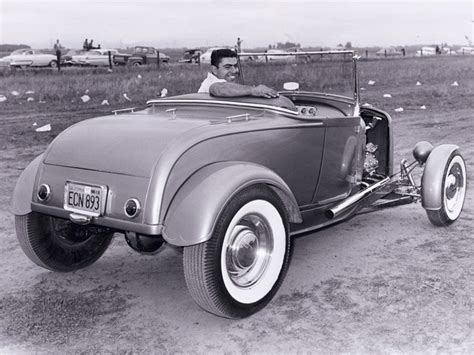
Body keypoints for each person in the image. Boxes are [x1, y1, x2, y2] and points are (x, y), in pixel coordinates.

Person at [198, 48, 278, 98]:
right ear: (214, 70)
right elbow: (218, 88)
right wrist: (254, 90)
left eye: (235, 66)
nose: (234, 71)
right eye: (227, 67)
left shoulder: (225, 83)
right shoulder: (211, 83)